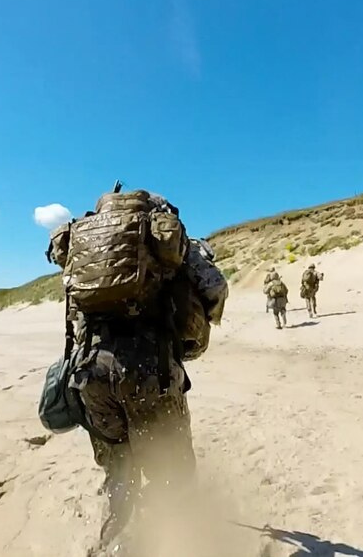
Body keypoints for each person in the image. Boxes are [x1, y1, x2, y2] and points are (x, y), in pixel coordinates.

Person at [44, 185, 228, 555]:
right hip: (149, 371)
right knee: (170, 473)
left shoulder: (86, 241)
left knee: (119, 472)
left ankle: (115, 543)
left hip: (89, 370)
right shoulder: (163, 236)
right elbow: (214, 288)